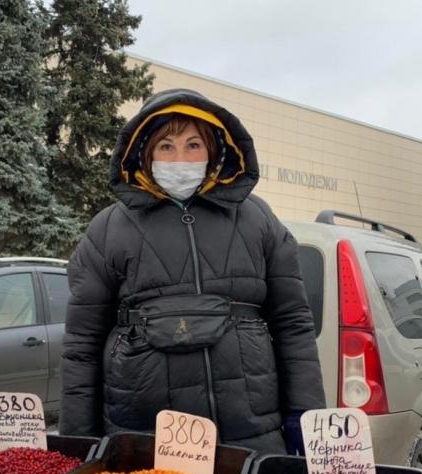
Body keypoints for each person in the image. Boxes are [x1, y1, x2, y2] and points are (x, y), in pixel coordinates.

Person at [60, 89, 325, 453]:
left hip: (250, 432)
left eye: (193, 145)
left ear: (215, 150)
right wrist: (78, 438)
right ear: (145, 152)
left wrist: (304, 413)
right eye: (165, 146)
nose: (180, 158)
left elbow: (293, 322)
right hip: (142, 437)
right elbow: (81, 344)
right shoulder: (107, 229)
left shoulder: (258, 219)